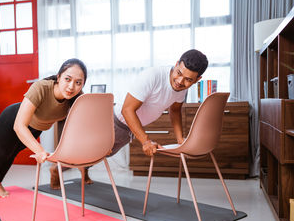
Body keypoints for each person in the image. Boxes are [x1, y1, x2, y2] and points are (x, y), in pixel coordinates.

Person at [50, 49, 208, 189]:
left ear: (197, 79)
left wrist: (181, 140)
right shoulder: (153, 76)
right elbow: (127, 109)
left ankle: (84, 170)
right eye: (179, 73)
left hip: (128, 130)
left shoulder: (181, 89)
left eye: (188, 79)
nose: (180, 81)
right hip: (115, 121)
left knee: (102, 155)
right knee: (89, 153)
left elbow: (175, 110)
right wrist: (145, 141)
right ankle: (56, 169)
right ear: (176, 64)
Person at [0, 58, 91, 199]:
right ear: (58, 77)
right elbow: (19, 125)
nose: (72, 86)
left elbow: (83, 125)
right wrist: (40, 151)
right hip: (11, 122)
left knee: (11, 154)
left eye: (78, 82)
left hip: (35, 129)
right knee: (2, 154)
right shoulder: (41, 87)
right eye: (67, 79)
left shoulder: (76, 98)